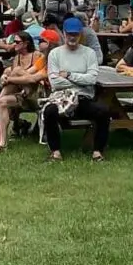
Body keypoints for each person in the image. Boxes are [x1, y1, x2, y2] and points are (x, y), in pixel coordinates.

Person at [42, 17, 109, 163]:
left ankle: (97, 152)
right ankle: (55, 152)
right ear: (64, 34)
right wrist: (80, 80)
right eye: (69, 34)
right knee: (50, 111)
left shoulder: (89, 53)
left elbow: (92, 79)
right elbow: (55, 82)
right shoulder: (55, 54)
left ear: (81, 35)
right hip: (61, 97)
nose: (72, 37)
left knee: (103, 111)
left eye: (76, 34)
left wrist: (69, 75)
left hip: (83, 98)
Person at [0, 32, 48, 153]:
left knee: (16, 72)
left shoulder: (38, 56)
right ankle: (2, 144)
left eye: (17, 42)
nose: (14, 44)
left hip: (36, 96)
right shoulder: (17, 57)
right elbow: (11, 71)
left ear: (26, 43)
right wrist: (4, 76)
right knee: (3, 102)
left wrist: (9, 79)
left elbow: (31, 78)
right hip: (22, 94)